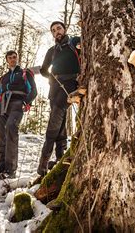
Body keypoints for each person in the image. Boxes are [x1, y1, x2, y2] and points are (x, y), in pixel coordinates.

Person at [37, 21, 80, 176]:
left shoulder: (74, 42)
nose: (57, 32)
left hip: (70, 85)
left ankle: (42, 164)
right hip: (54, 89)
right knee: (60, 123)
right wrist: (51, 77)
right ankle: (60, 157)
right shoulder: (51, 51)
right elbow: (43, 70)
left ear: (64, 29)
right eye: (53, 30)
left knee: (54, 121)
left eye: (59, 29)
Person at [0, 50, 37, 178]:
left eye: (14, 57)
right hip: (3, 106)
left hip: (17, 103)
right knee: (2, 134)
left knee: (11, 128)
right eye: (10, 58)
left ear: (17, 59)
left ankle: (10, 169)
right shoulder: (3, 78)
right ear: (7, 60)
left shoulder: (25, 73)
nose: (13, 59)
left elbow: (33, 90)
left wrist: (26, 102)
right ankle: (1, 167)